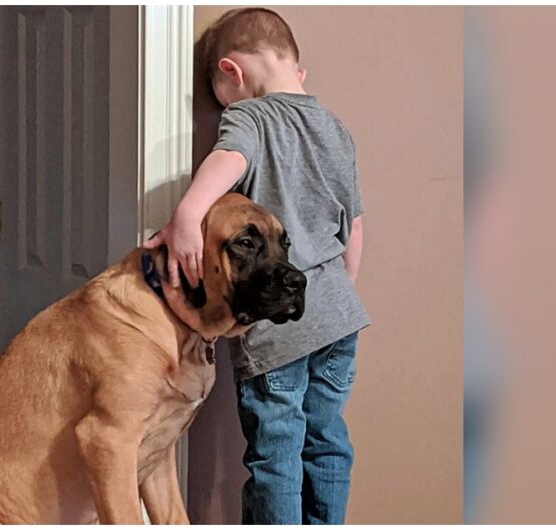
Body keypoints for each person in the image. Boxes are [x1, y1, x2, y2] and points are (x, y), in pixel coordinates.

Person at [144, 8, 370, 524]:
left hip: (279, 332)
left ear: (232, 73)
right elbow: (353, 228)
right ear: (299, 71)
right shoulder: (336, 129)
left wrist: (188, 214)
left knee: (277, 454)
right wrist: (336, 293)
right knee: (328, 440)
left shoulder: (251, 116)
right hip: (340, 314)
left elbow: (231, 160)